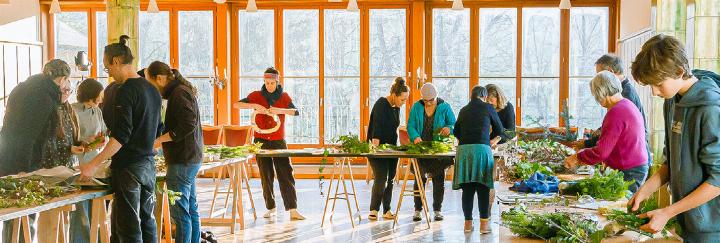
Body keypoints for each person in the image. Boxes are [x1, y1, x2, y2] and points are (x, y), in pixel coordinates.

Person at [628, 34, 720, 241]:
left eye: (658, 84)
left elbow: (718, 179)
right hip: (687, 220)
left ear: (680, 72)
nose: (654, 92)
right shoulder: (672, 100)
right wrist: (645, 190)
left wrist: (668, 211)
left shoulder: (711, 108)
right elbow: (670, 163)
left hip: (712, 228)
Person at [79, 35, 164, 242]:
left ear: (116, 61)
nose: (109, 74)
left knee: (129, 228)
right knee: (147, 221)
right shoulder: (152, 89)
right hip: (148, 166)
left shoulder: (125, 90)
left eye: (107, 68)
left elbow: (121, 137)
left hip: (128, 169)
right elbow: (158, 129)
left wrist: (92, 164)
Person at [232, 67, 305, 220]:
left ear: (277, 82)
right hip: (260, 141)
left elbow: (295, 111)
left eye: (272, 83)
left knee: (286, 173)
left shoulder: (284, 96)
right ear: (264, 82)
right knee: (266, 174)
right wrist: (255, 106)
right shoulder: (256, 95)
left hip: (278, 140)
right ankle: (271, 208)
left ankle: (292, 209)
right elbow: (236, 105)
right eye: (267, 83)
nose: (269, 86)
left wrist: (278, 110)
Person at [145, 61, 204, 243]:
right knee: (190, 208)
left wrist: (158, 140)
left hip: (182, 159)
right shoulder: (181, 91)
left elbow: (188, 123)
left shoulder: (179, 93)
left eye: (151, 83)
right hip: (189, 157)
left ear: (161, 79)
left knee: (180, 212)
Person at [563, 71, 649, 193]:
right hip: (636, 167)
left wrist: (577, 157)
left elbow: (601, 152)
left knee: (619, 207)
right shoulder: (627, 104)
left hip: (629, 170)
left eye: (595, 95)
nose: (597, 100)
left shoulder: (616, 112)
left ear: (601, 92)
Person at [0, 59, 76, 176]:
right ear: (62, 79)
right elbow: (29, 136)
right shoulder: (45, 98)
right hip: (23, 160)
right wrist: (24, 169)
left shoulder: (20, 88)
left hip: (5, 151)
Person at [575, 54, 651, 168]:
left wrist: (580, 154)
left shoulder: (620, 105)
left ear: (610, 72)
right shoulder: (622, 100)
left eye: (600, 74)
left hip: (630, 163)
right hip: (633, 161)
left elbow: (603, 149)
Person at [453, 86, 505, 234]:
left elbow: (456, 131)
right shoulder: (488, 108)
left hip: (464, 151)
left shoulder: (463, 110)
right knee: (483, 188)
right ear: (483, 96)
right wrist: (489, 139)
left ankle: (468, 225)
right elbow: (500, 129)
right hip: (482, 150)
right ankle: (484, 226)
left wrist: (466, 140)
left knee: (467, 189)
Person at [406, 83, 455, 221]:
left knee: (439, 180)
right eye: (425, 101)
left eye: (431, 100)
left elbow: (454, 124)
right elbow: (410, 125)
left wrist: (448, 128)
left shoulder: (445, 107)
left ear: (436, 97)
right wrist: (415, 136)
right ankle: (417, 210)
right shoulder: (416, 107)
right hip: (421, 148)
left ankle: (437, 210)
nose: (428, 103)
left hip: (437, 150)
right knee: (419, 179)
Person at [366, 77, 409, 220]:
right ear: (394, 95)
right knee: (381, 178)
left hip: (391, 148)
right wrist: (376, 151)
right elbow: (376, 128)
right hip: (377, 148)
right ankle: (373, 209)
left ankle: (387, 210)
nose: (404, 103)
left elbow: (394, 128)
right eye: (402, 99)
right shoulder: (381, 104)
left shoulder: (396, 108)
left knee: (390, 179)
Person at [70, 78, 107, 243]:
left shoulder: (97, 111)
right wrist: (85, 141)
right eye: (100, 94)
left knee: (96, 204)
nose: (102, 98)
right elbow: (67, 140)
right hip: (78, 162)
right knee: (81, 207)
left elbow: (104, 132)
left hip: (96, 162)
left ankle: (96, 239)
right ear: (91, 95)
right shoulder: (72, 110)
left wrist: (100, 140)